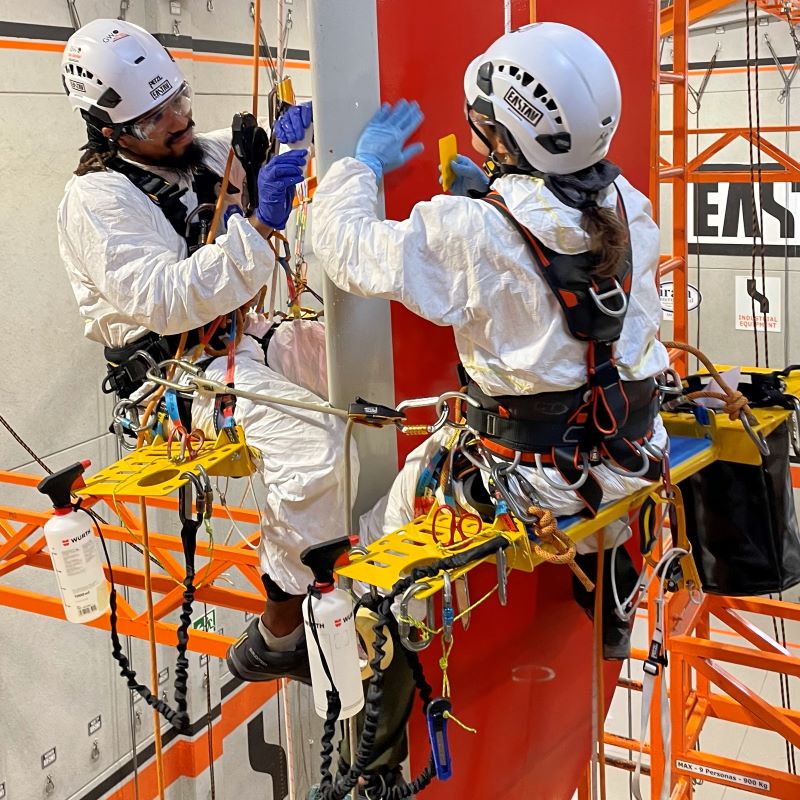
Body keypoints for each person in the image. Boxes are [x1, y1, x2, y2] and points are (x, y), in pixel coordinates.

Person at [312, 22, 671, 659]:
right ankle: (612, 581)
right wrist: (495, 200)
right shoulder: (627, 203)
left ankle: (369, 644)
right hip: (635, 451)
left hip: (538, 477)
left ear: (503, 135)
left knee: (379, 528)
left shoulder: (472, 230)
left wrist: (359, 166)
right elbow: (557, 259)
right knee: (594, 443)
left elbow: (344, 249)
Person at [57, 18, 355, 684]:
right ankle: (281, 629)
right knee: (312, 451)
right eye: (156, 117)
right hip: (177, 374)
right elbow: (170, 298)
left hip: (240, 336)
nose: (180, 122)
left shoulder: (194, 151)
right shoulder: (98, 201)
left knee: (365, 375)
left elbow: (260, 155)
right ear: (113, 132)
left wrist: (312, 126)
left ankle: (353, 550)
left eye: (182, 102)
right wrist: (258, 225)